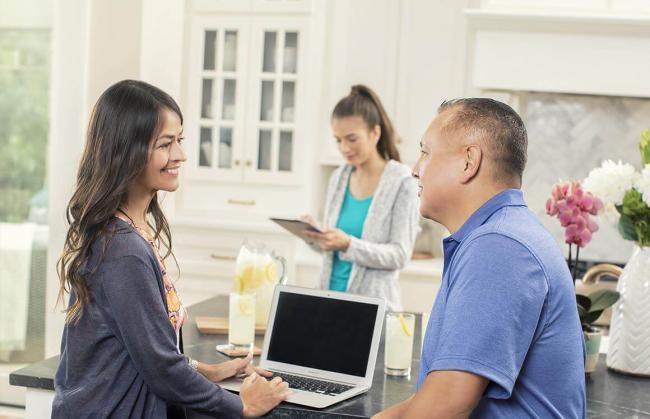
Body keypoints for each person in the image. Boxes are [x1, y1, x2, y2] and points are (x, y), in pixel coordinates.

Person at [53, 80, 289, 418]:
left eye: (180, 140)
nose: (180, 154)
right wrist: (241, 405)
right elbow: (161, 368)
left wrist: (203, 370)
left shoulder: (129, 230)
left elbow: (141, 346)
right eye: (166, 144)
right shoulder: (124, 250)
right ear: (127, 151)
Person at [374, 98, 586, 418]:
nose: (415, 169)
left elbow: (445, 407)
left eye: (425, 152)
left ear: (469, 162)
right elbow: (436, 396)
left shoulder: (499, 246)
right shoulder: (502, 233)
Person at [304, 85, 419, 311]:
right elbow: (332, 249)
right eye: (338, 140)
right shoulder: (339, 178)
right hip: (328, 302)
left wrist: (348, 243)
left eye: (351, 139)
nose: (344, 148)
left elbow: (400, 255)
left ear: (375, 133)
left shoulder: (402, 181)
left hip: (371, 311)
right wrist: (314, 235)